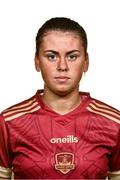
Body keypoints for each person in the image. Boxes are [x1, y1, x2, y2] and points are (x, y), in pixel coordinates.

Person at [0, 17, 120, 179]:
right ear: (37, 62)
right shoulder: (9, 123)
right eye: (51, 56)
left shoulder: (113, 123)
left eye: (72, 57)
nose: (62, 66)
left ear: (86, 62)